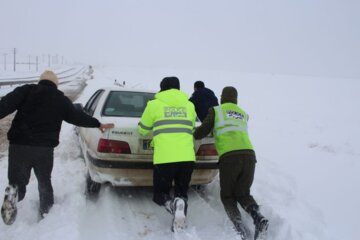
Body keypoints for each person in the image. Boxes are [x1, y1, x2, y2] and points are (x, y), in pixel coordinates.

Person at [0, 70, 114, 225]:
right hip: (44, 150)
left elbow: (4, 105)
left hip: (19, 145)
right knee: (44, 181)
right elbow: (77, 117)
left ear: (41, 81)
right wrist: (98, 124)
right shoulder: (60, 99)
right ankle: (46, 213)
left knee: (16, 181)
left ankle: (13, 194)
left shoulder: (26, 90)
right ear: (55, 84)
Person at [193, 86, 268, 240]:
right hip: (249, 156)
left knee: (227, 196)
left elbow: (202, 132)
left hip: (230, 157)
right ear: (236, 99)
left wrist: (194, 133)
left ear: (222, 97)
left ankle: (240, 228)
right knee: (243, 193)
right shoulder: (243, 113)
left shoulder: (216, 111)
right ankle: (258, 217)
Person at [138, 77, 196, 232]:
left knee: (160, 194)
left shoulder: (154, 105)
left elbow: (143, 129)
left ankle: (172, 205)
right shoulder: (190, 105)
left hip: (165, 159)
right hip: (187, 159)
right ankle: (179, 223)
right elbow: (192, 128)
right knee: (182, 192)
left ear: (162, 88)